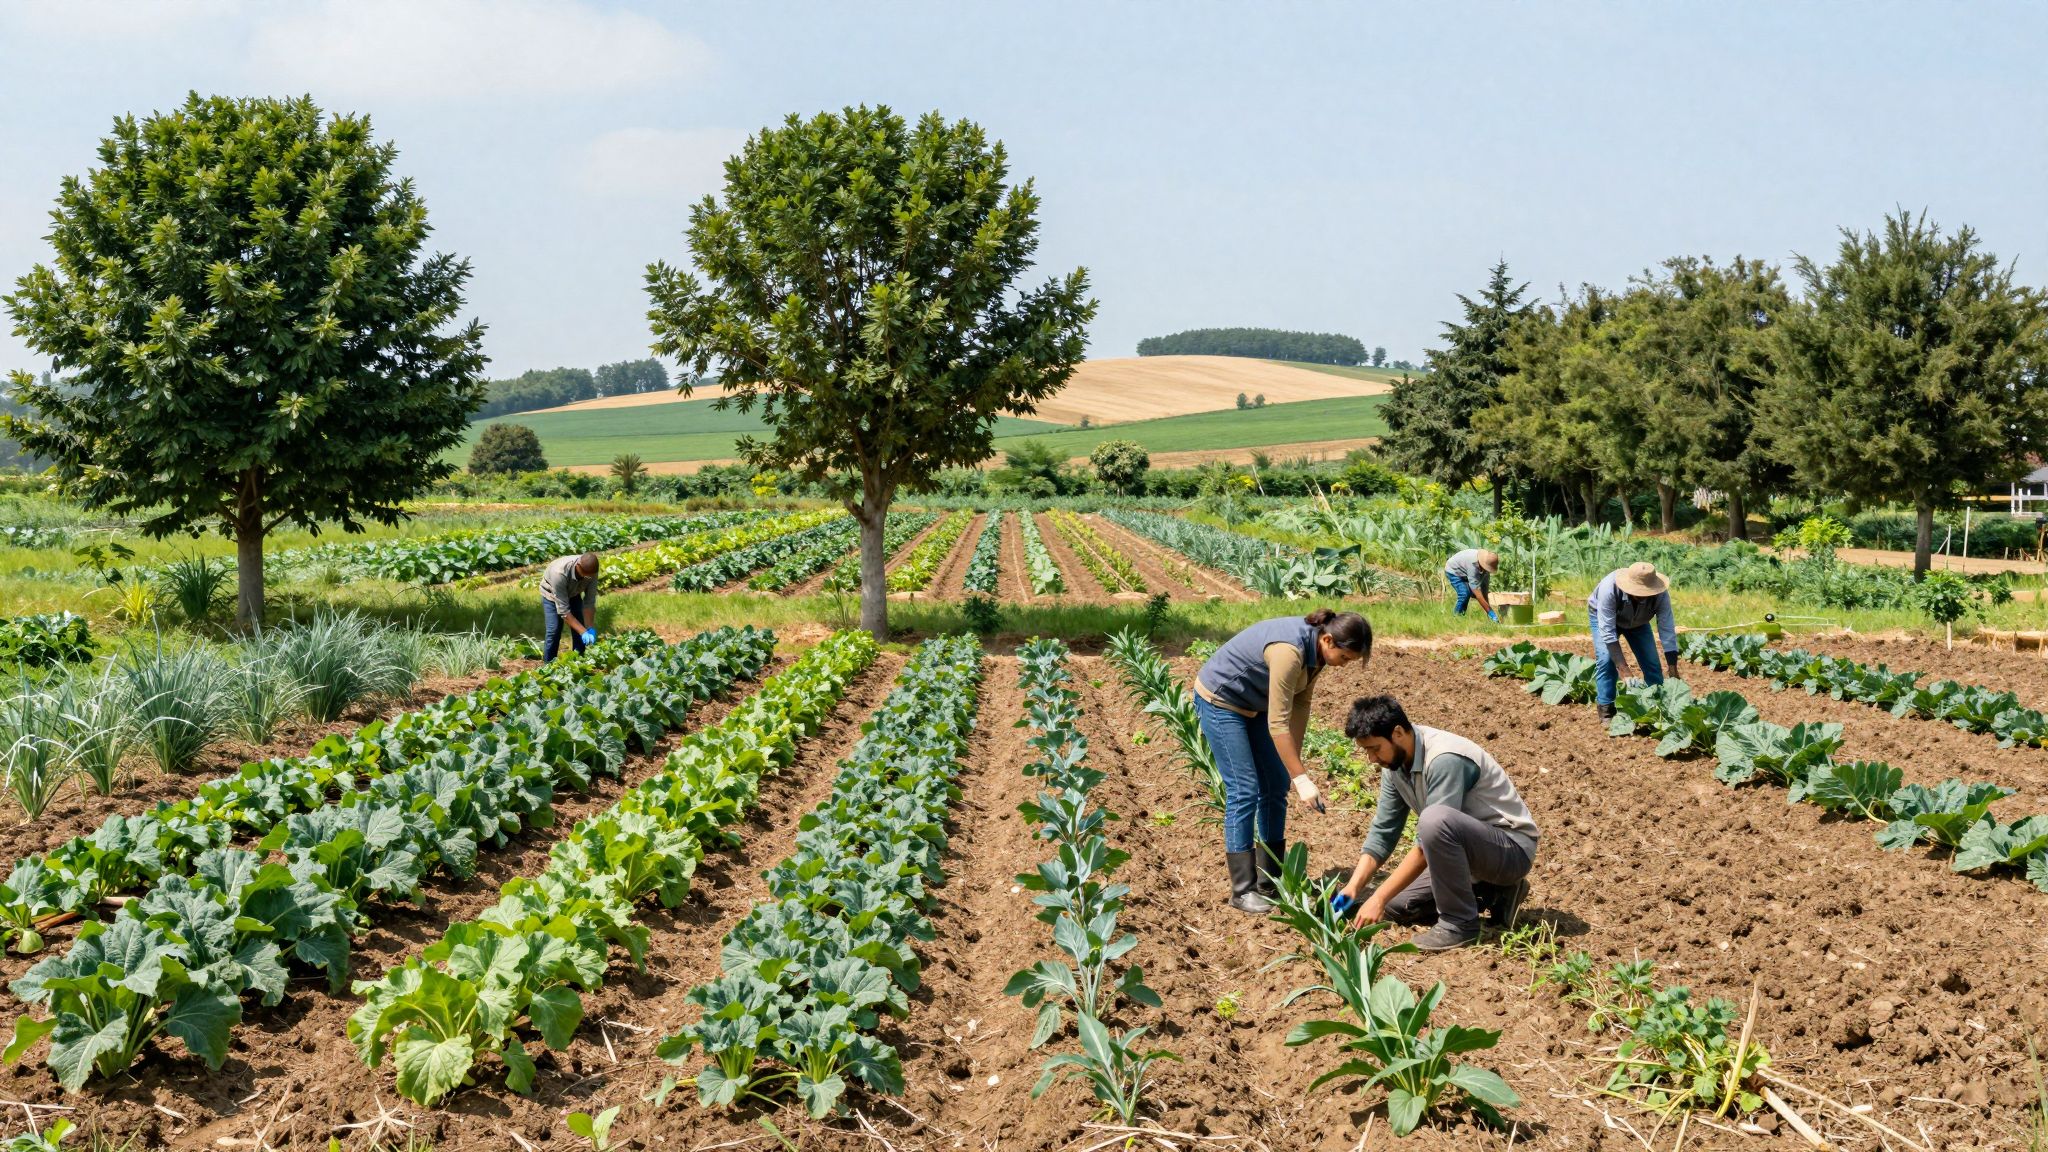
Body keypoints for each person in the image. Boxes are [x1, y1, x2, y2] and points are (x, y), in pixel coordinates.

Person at [1193, 608, 1373, 914]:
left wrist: (1294, 765)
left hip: (1255, 703)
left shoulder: (1317, 652)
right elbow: (1278, 724)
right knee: (1244, 789)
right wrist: (1301, 778)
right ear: (1328, 640)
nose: (1344, 666)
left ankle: (1270, 878)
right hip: (1222, 701)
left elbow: (1300, 703)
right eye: (1344, 658)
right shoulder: (1289, 652)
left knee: (1276, 783)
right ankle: (1242, 889)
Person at [1331, 696, 1539, 951]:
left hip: (1509, 850)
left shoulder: (1443, 759)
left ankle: (1459, 924)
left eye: (1375, 748)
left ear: (1397, 733)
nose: (1372, 759)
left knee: (1433, 820)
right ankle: (1496, 893)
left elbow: (1432, 835)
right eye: (1367, 751)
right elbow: (1384, 831)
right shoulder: (1394, 766)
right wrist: (1354, 886)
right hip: (1465, 852)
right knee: (1396, 905)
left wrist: (1378, 897)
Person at [1588, 561, 1678, 721]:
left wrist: (1672, 666)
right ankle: (1606, 708)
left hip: (1639, 622)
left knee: (1652, 663)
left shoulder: (1660, 594)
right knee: (1606, 660)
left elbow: (1667, 627)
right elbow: (1608, 633)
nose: (1644, 595)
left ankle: (1658, 707)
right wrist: (1624, 669)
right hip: (1604, 618)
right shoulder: (1609, 589)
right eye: (1640, 592)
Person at [541, 552, 601, 662]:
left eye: (591, 575)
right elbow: (564, 612)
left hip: (573, 593)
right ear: (578, 566)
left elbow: (589, 602)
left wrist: (589, 627)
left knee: (580, 626)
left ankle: (578, 662)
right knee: (554, 630)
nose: (589, 578)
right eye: (586, 575)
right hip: (551, 594)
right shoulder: (559, 574)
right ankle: (548, 666)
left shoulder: (591, 572)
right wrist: (583, 632)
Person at [1444, 547, 1501, 620]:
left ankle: (1461, 617)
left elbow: (1484, 590)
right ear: (1482, 563)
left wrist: (1489, 614)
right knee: (1464, 593)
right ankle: (1456, 618)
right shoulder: (1473, 565)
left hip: (1464, 571)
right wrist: (1491, 612)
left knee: (1473, 593)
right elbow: (1478, 594)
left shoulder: (1485, 569)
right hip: (1453, 570)